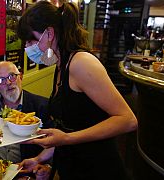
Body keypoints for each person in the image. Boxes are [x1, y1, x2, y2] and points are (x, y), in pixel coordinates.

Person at [16, 1, 138, 179]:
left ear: (49, 33)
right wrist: (39, 158)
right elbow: (69, 127)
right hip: (73, 166)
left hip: (98, 168)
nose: (27, 48)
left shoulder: (81, 63)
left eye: (30, 40)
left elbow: (128, 120)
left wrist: (66, 139)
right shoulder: (60, 64)